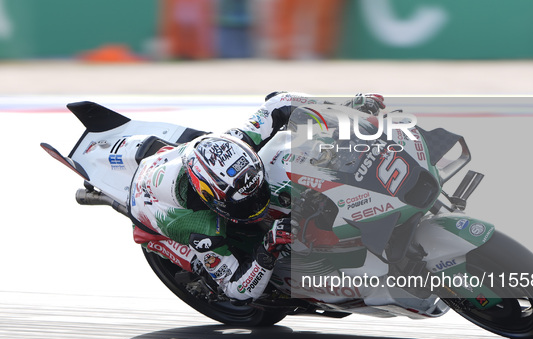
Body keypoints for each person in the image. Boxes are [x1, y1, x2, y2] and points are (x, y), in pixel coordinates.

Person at [128, 92, 385, 302]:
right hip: (150, 213)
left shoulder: (239, 141)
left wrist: (345, 108)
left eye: (257, 190)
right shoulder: (199, 227)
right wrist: (268, 248)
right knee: (216, 266)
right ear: (212, 200)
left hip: (177, 159)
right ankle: (203, 273)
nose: (258, 202)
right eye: (246, 201)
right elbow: (235, 290)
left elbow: (280, 102)